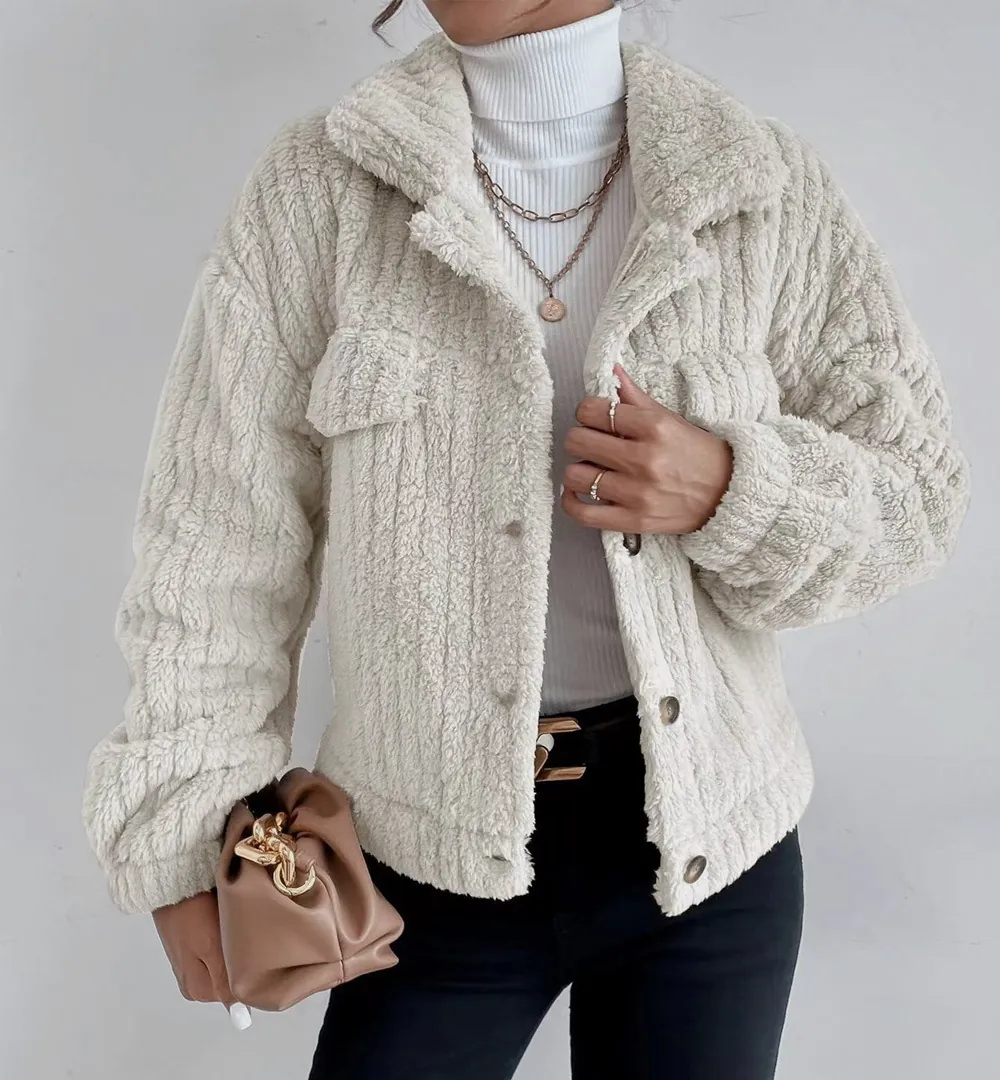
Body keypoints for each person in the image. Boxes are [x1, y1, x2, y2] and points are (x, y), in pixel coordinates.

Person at [82, 1, 971, 1077]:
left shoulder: (758, 185)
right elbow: (216, 543)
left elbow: (918, 493)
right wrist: (192, 833)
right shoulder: (321, 189)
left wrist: (734, 487)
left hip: (707, 854)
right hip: (417, 860)